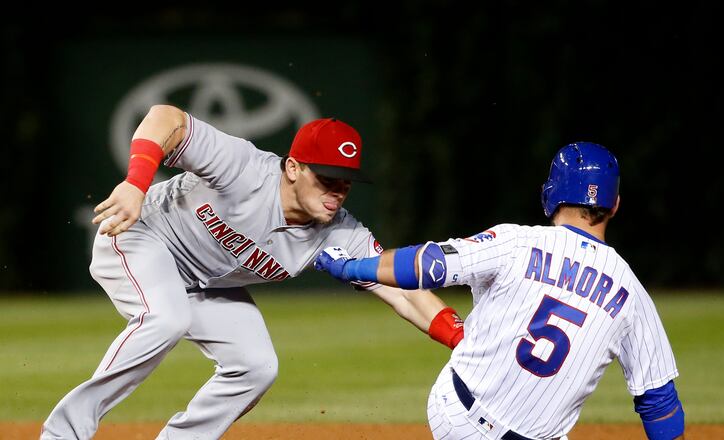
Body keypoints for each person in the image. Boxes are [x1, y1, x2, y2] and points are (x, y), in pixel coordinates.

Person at [41, 105, 465, 440]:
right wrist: (136, 183)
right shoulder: (244, 167)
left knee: (256, 365)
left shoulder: (340, 232)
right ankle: (63, 434)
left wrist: (462, 339)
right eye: (327, 178)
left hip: (203, 283)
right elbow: (164, 118)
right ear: (294, 168)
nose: (337, 191)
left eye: (346, 182)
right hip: (142, 235)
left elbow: (403, 290)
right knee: (165, 319)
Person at [315, 142, 685, 440]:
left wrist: (352, 267)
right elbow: (659, 402)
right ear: (615, 205)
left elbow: (429, 264)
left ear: (550, 193)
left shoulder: (515, 242)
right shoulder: (631, 292)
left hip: (454, 416)